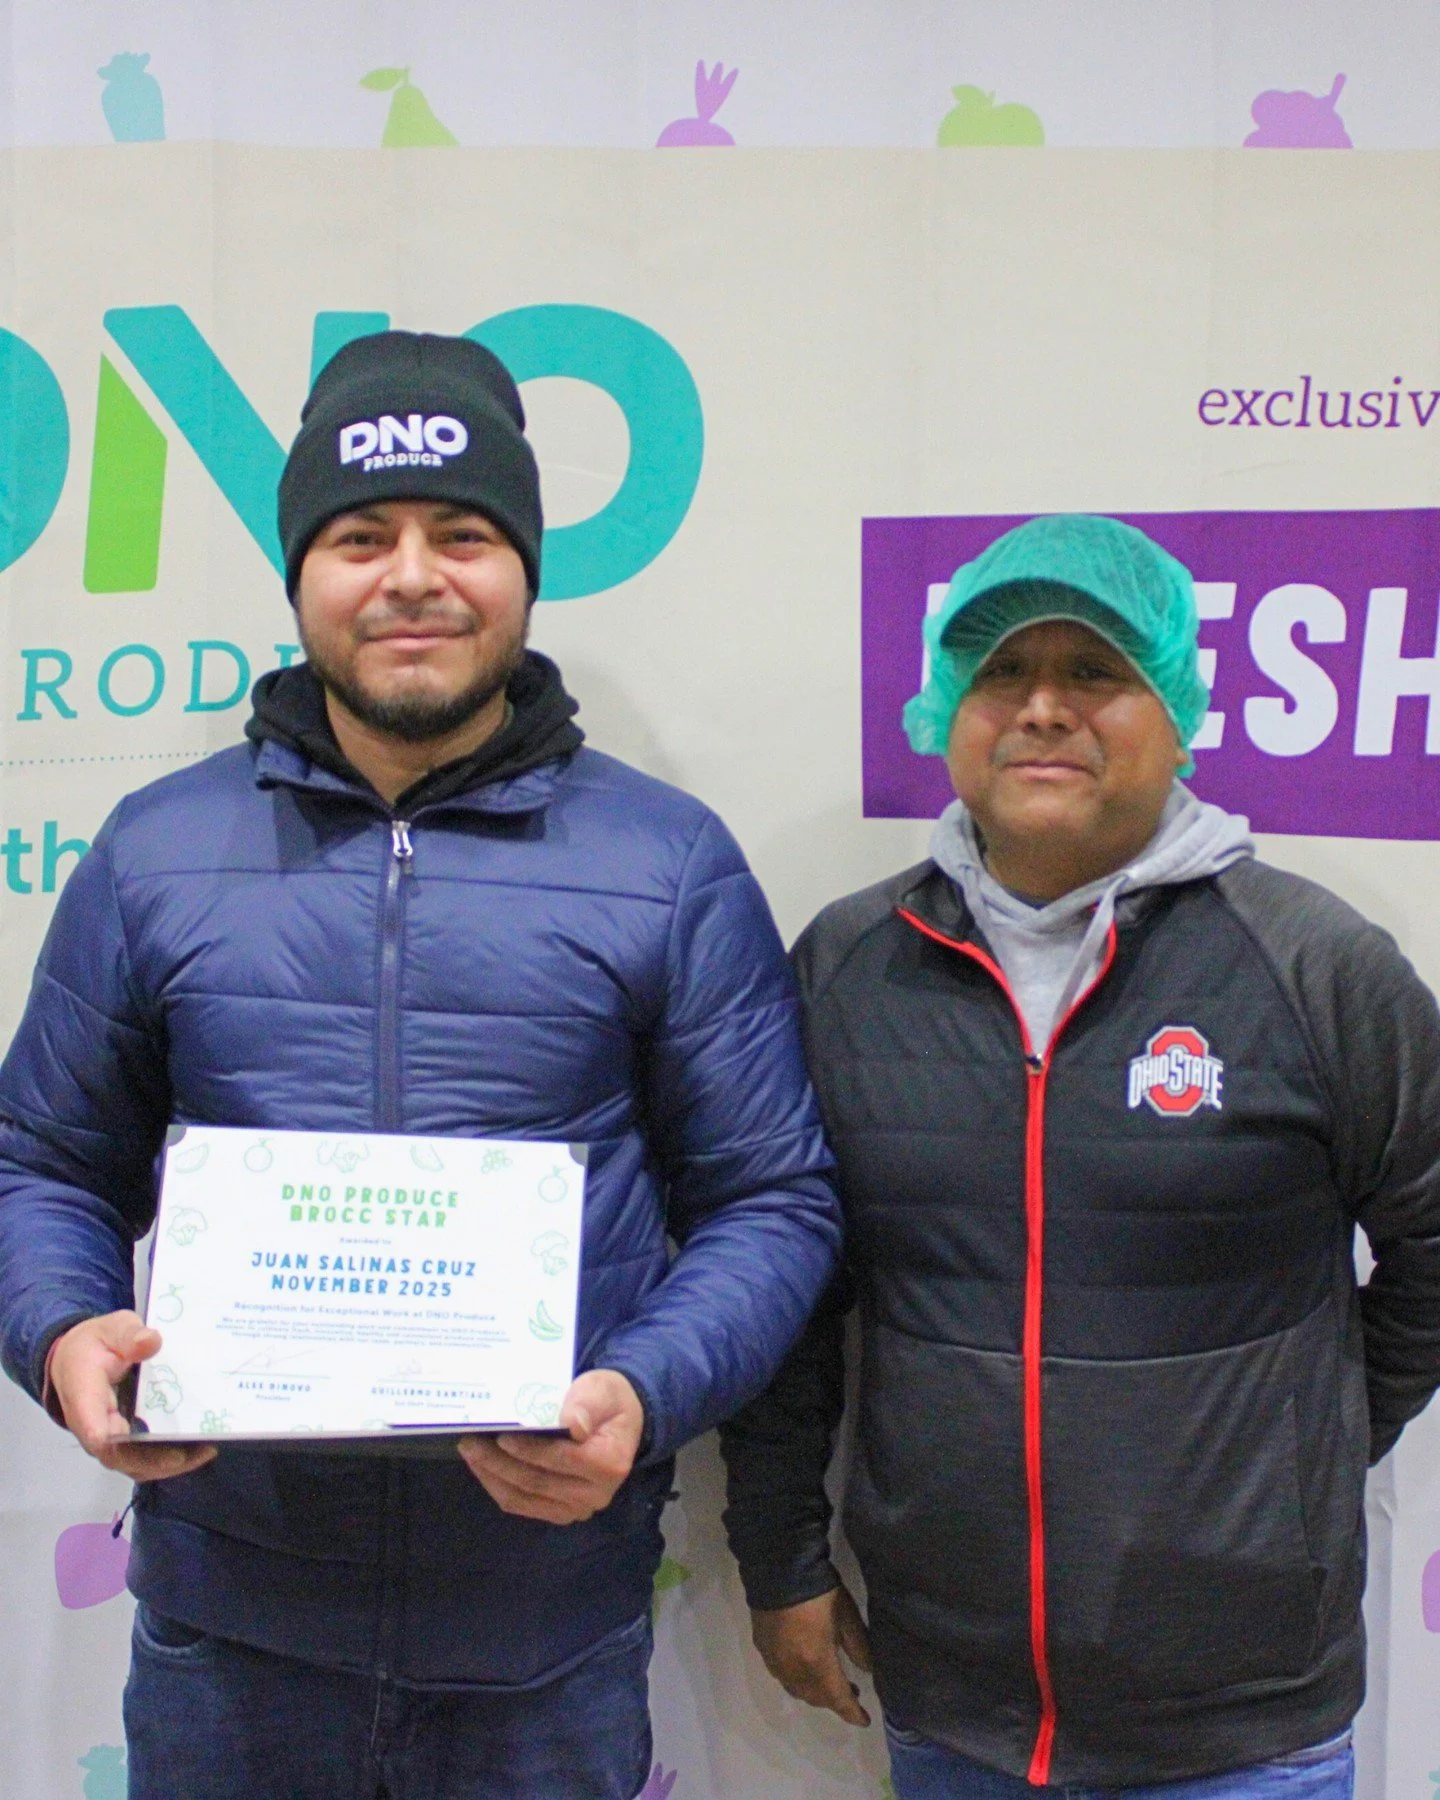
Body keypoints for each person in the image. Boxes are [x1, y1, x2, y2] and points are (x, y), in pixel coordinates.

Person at [0, 330, 841, 1800]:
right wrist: (63, 1333)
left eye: (463, 533)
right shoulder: (154, 853)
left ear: (522, 569)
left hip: (543, 1640)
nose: (411, 576)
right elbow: (40, 1163)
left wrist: (640, 1389)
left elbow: (776, 1200)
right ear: (298, 575)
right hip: (228, 1638)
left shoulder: (667, 863)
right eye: (358, 535)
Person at [720, 513, 1440, 1797]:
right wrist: (780, 1563)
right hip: (954, 1705)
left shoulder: (1318, 969)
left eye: (1095, 672)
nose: (1044, 708)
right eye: (1004, 672)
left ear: (1177, 711)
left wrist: (1302, 1454)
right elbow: (787, 1290)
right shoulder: (849, 966)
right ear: (951, 708)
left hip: (1243, 1725)